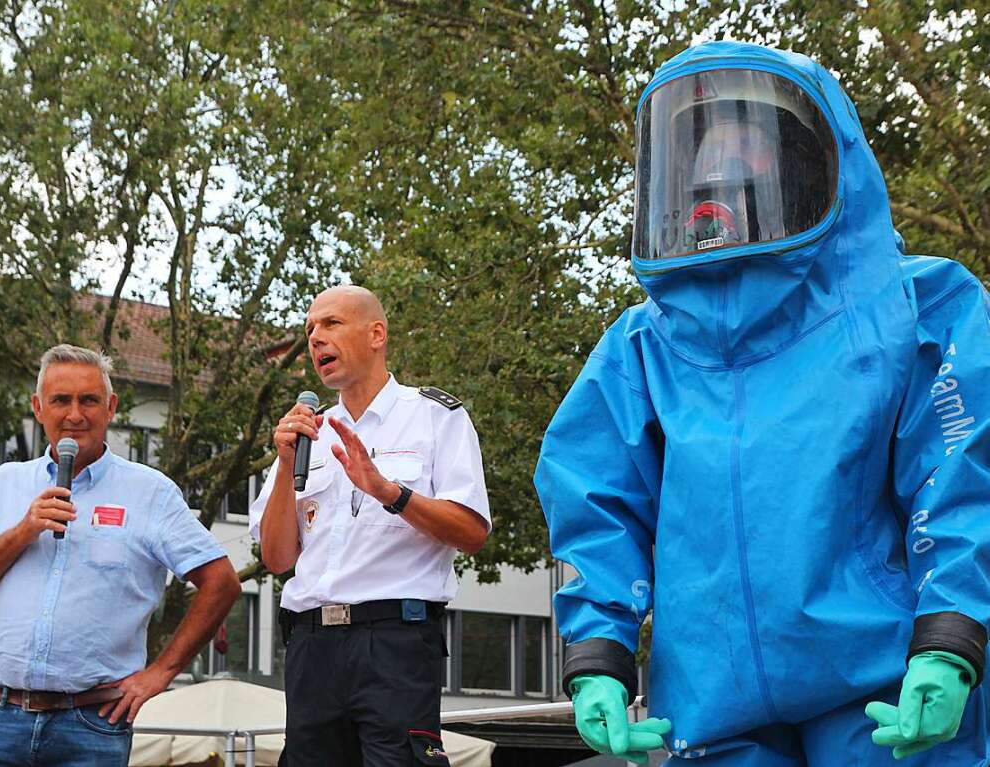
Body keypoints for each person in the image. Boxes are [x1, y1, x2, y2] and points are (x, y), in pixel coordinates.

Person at [535, 40, 990, 765]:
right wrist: (596, 654)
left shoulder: (916, 306)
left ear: (811, 161)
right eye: (704, 145)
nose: (719, 166)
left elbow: (962, 476)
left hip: (881, 691)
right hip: (711, 705)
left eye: (748, 141)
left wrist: (949, 637)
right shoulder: (642, 347)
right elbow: (595, 504)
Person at [250, 285, 490, 766]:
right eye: (310, 329)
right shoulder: (305, 433)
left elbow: (471, 532)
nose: (316, 338)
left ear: (376, 333)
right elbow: (277, 558)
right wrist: (282, 466)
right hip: (311, 644)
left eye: (331, 324)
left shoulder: (435, 417)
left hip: (394, 642)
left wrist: (388, 491)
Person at [0, 344, 241, 766]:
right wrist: (24, 530)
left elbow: (221, 583)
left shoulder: (150, 493)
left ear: (111, 407)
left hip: (92, 724)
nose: (75, 414)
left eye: (89, 400)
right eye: (61, 400)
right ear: (38, 408)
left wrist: (160, 673)